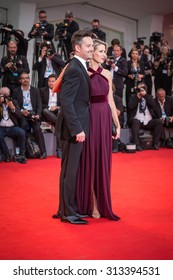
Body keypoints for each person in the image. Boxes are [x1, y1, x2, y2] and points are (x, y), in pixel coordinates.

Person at [76, 39, 121, 221]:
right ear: (91, 52)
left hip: (103, 119)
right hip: (89, 118)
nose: (104, 54)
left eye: (105, 51)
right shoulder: (83, 73)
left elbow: (110, 102)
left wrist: (117, 123)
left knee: (102, 160)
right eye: (101, 51)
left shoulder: (108, 74)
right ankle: (90, 204)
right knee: (90, 161)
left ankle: (101, 203)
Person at [52, 30, 93, 224]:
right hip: (72, 129)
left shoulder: (78, 66)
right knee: (70, 171)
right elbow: (66, 102)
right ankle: (68, 213)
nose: (91, 49)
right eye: (88, 46)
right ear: (78, 48)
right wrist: (77, 129)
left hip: (73, 127)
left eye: (92, 46)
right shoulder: (75, 67)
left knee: (68, 170)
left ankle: (65, 209)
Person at [12, 72, 47, 159]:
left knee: (37, 129)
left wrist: (38, 114)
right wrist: (21, 111)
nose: (26, 80)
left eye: (27, 78)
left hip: (33, 114)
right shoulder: (16, 91)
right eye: (23, 78)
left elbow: (39, 104)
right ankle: (22, 153)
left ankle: (43, 152)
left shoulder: (35, 90)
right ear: (20, 80)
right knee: (23, 126)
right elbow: (15, 105)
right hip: (23, 114)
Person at [127, 82, 163, 151]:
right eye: (139, 89)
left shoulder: (149, 97)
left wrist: (145, 95)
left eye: (142, 89)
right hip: (137, 120)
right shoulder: (133, 96)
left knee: (159, 122)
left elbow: (153, 105)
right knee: (135, 121)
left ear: (145, 89)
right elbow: (130, 106)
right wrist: (137, 98)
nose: (140, 91)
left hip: (148, 120)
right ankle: (137, 145)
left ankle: (155, 144)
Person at [0, 87, 27, 163]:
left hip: (12, 127)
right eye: (3, 95)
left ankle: (21, 154)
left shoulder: (14, 102)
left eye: (6, 95)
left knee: (21, 132)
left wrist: (12, 108)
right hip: (1, 127)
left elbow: (19, 116)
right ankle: (6, 154)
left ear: (9, 95)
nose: (5, 97)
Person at [40, 74, 62, 158]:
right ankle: (59, 150)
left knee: (60, 115)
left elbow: (64, 104)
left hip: (57, 112)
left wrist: (57, 107)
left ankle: (59, 150)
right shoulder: (42, 91)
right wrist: (50, 107)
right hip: (47, 112)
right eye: (49, 81)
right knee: (45, 111)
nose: (51, 83)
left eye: (53, 81)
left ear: (56, 81)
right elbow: (40, 104)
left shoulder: (60, 91)